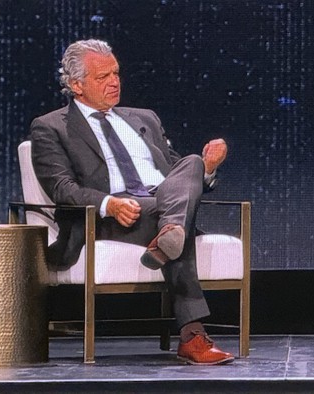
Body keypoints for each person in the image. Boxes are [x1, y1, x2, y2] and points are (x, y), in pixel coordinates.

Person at [29, 39, 233, 365]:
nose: (114, 82)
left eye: (116, 73)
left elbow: (179, 177)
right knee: (174, 216)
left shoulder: (144, 118)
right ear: (76, 85)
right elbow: (62, 188)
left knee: (192, 162)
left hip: (160, 203)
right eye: (103, 77)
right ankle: (192, 335)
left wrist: (206, 169)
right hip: (107, 217)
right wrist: (110, 204)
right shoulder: (50, 127)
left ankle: (170, 231)